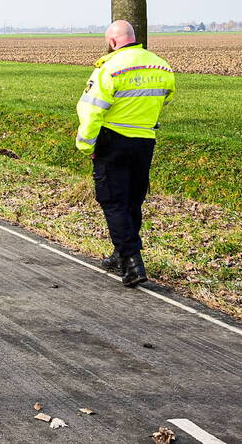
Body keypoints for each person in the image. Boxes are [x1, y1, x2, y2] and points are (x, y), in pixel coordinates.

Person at [75, 20, 176, 287]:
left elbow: (91, 110)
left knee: (113, 202)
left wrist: (87, 145)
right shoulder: (160, 65)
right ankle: (120, 253)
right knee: (133, 200)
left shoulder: (109, 69)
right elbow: (166, 96)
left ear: (112, 42)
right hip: (145, 140)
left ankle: (132, 262)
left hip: (113, 141)